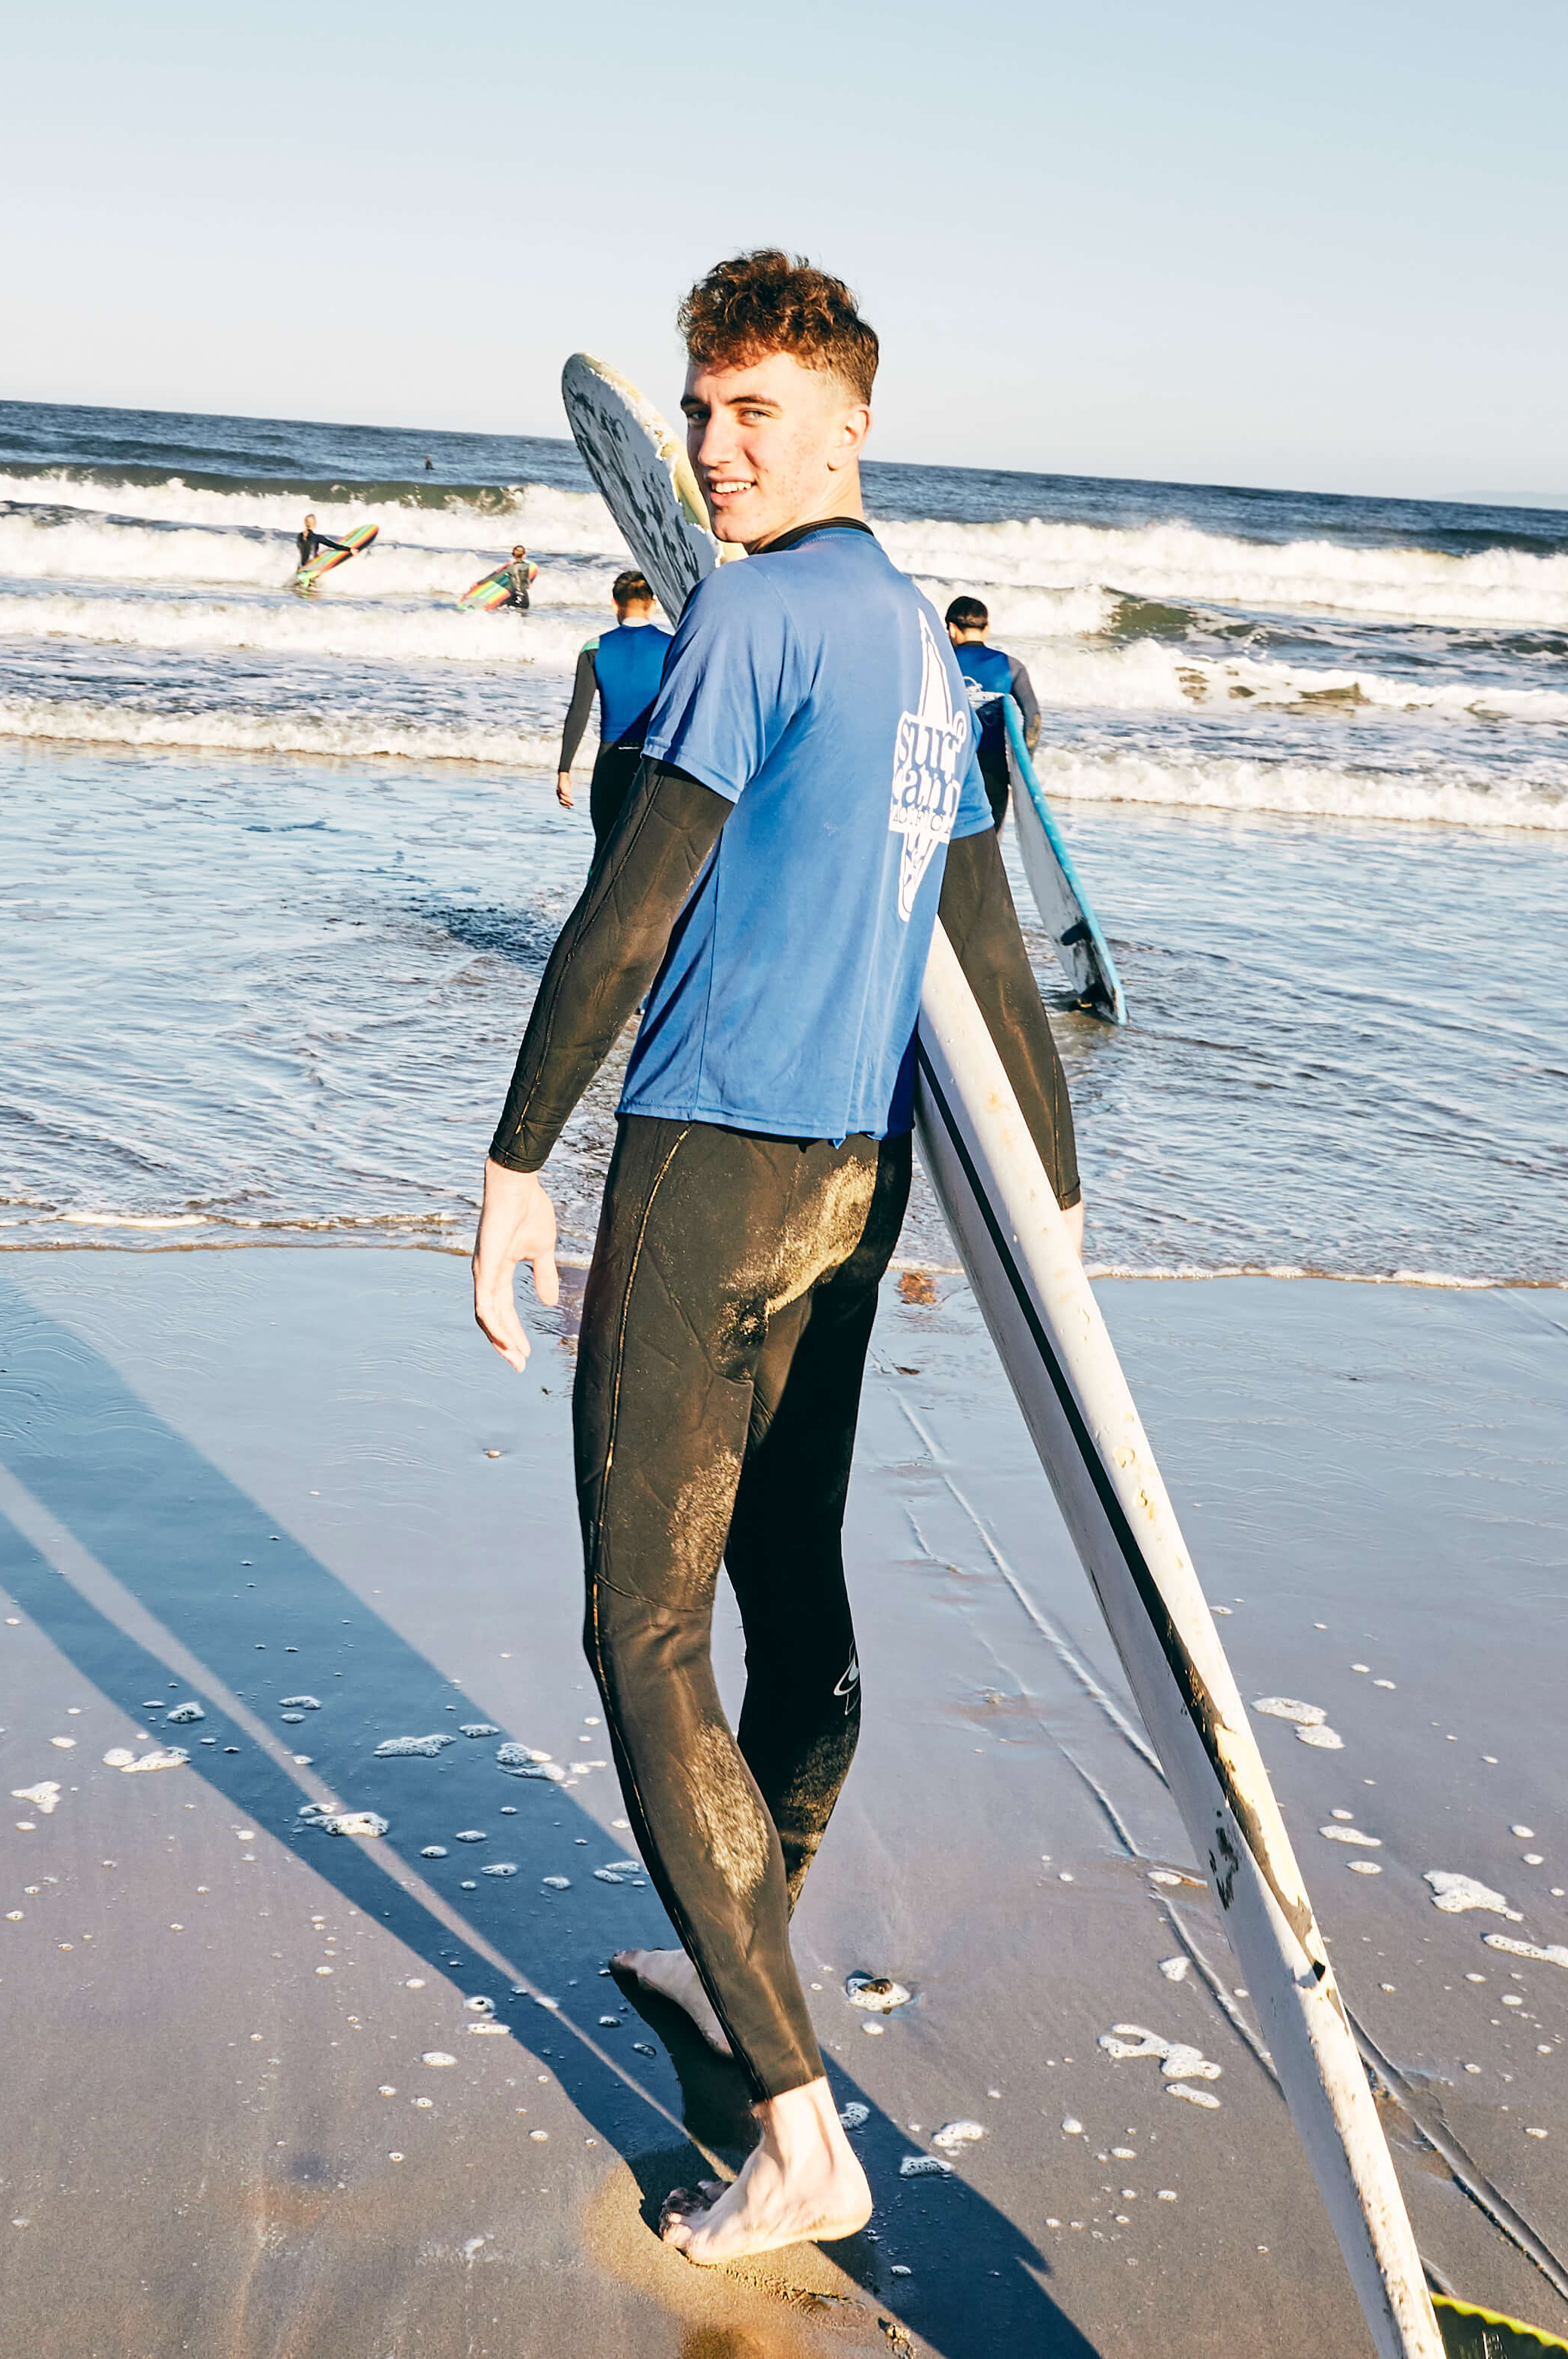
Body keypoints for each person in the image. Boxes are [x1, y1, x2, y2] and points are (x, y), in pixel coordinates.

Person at [468, 249, 1081, 2268]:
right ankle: (746, 1947)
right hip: (852, 1184)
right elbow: (979, 955)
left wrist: (512, 1161)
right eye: (701, 410)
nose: (714, 450)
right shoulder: (928, 648)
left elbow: (632, 918)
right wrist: (1052, 1206)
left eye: (752, 413)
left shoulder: (746, 620)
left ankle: (803, 2131)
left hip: (706, 1167)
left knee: (639, 1637)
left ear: (848, 422)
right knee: (794, 1611)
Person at [551, 570, 671, 852]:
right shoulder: (673, 647)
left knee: (605, 851)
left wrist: (564, 770)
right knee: (645, 855)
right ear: (653, 603)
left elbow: (578, 713)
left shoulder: (594, 649)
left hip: (610, 763)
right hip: (653, 764)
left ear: (615, 604)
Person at [940, 594, 1044, 795]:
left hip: (945, 764)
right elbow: (1033, 718)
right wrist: (1021, 768)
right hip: (991, 769)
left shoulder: (937, 662)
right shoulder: (1011, 666)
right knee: (991, 827)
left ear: (952, 629)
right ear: (986, 628)